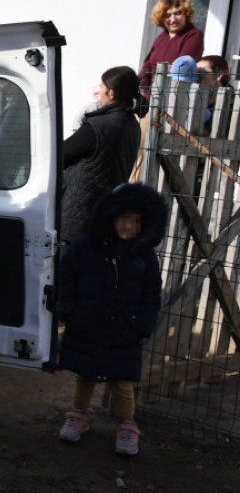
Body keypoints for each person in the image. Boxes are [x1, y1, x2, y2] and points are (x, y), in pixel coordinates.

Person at [57, 182, 167, 456]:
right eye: (124, 219)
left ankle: (128, 425)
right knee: (86, 373)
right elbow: (66, 276)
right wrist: (69, 311)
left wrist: (142, 325)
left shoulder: (144, 257)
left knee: (122, 381)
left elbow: (152, 293)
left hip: (124, 329)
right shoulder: (85, 247)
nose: (130, 226)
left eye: (137, 221)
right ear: (110, 217)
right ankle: (78, 415)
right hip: (88, 324)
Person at [61, 66, 141, 244]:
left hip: (79, 217)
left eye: (102, 85)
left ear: (111, 93)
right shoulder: (131, 124)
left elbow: (61, 154)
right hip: (105, 213)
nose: (99, 89)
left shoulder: (98, 126)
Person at [138, 0, 204, 103]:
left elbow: (181, 68)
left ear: (186, 14)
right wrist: (144, 92)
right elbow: (147, 66)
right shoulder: (162, 37)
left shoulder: (194, 35)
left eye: (178, 13)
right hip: (150, 97)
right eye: (168, 15)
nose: (173, 19)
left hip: (173, 99)